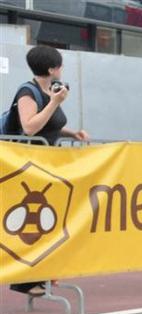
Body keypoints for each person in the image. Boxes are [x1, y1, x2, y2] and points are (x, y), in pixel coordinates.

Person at [8, 45, 89, 298]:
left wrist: (72, 133)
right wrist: (55, 102)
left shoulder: (50, 90)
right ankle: (24, 280)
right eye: (60, 65)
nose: (62, 69)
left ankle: (43, 274)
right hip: (29, 168)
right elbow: (30, 127)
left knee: (51, 220)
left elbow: (49, 124)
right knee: (31, 223)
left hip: (48, 166)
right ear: (52, 69)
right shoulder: (28, 92)